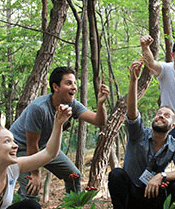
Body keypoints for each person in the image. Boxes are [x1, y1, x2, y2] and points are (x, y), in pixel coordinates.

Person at [108, 60, 175, 209]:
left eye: (166, 115)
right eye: (159, 113)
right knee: (116, 174)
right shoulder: (138, 134)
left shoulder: (174, 145)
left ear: (172, 126)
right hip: (130, 196)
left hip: (153, 196)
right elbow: (132, 113)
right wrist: (133, 81)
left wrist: (161, 175)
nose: (161, 116)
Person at [10, 66, 107, 199]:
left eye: (74, 83)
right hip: (21, 148)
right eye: (68, 83)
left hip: (45, 146)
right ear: (55, 87)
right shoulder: (39, 109)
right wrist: (35, 174)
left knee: (73, 176)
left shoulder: (72, 104)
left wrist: (101, 104)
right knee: (31, 191)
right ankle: (19, 204)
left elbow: (99, 121)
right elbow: (32, 145)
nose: (74, 87)